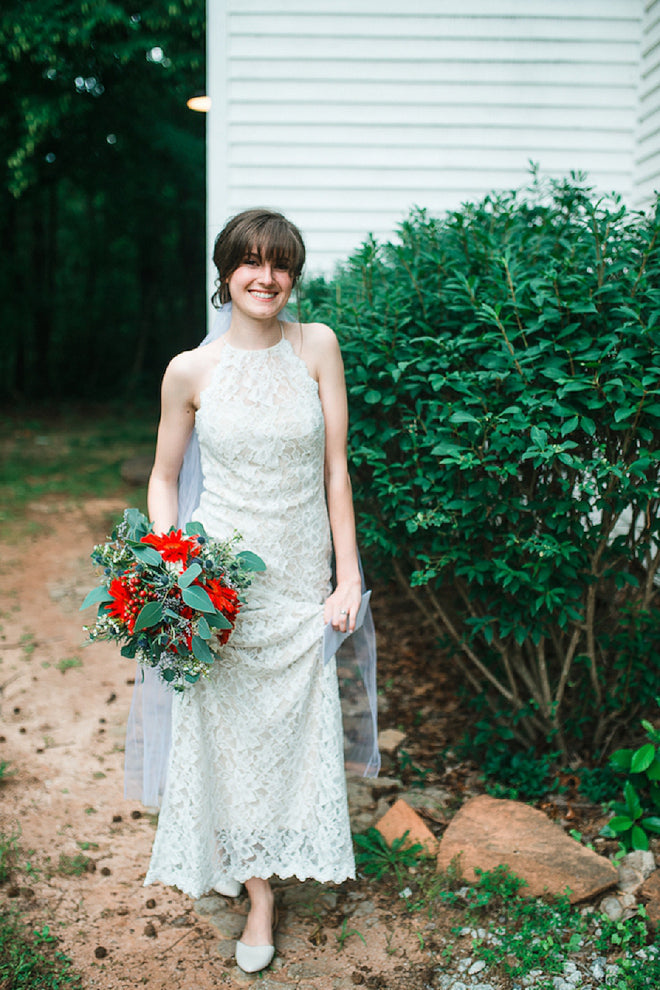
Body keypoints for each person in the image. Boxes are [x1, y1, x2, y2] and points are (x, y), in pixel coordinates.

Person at [139, 208, 378, 974]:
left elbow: (336, 469)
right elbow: (164, 478)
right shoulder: (189, 371)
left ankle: (267, 852)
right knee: (227, 734)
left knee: (289, 730)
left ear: (293, 276)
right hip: (221, 582)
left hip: (301, 578)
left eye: (280, 264)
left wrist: (349, 575)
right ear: (227, 272)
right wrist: (174, 563)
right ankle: (259, 893)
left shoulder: (318, 347)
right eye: (251, 261)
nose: (265, 277)